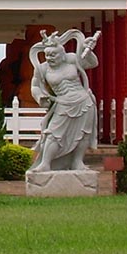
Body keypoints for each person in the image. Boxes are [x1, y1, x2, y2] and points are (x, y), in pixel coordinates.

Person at [27, 29, 99, 172]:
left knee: (83, 133)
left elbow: (92, 63)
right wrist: (40, 97)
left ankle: (78, 162)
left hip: (84, 101)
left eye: (53, 55)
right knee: (53, 133)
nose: (50, 58)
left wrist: (87, 50)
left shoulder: (71, 59)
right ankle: (45, 163)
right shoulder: (42, 69)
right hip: (63, 102)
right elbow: (35, 86)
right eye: (47, 55)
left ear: (62, 54)